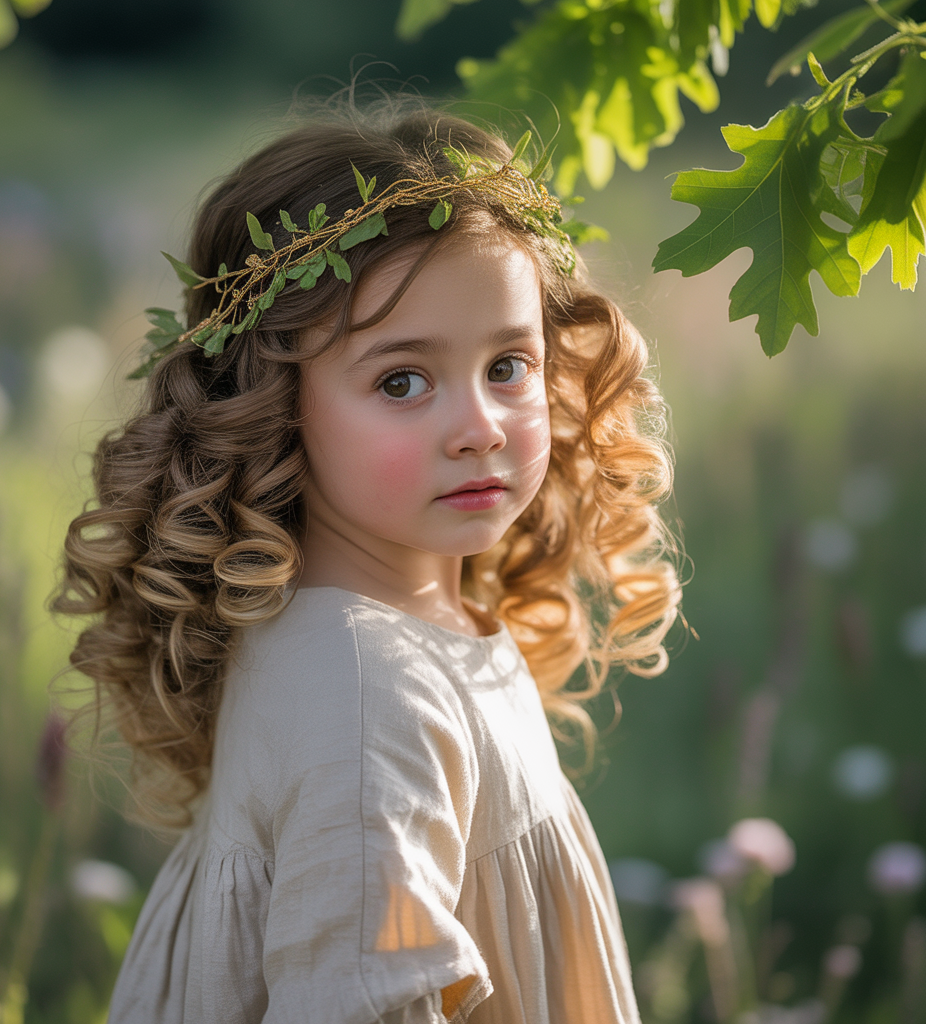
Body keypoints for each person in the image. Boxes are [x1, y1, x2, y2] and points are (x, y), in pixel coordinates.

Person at [52, 96, 681, 1024]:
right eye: (401, 381)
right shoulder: (368, 697)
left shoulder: (405, 630)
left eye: (508, 365)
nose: (478, 429)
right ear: (271, 404)